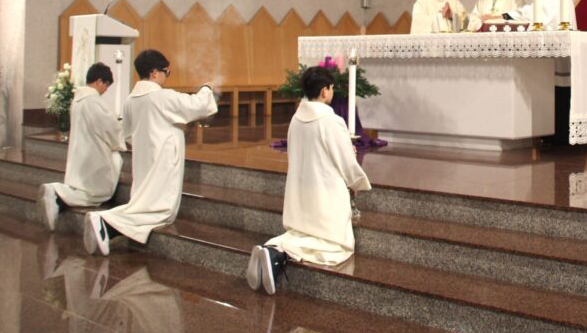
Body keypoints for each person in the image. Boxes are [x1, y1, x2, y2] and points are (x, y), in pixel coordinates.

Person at [247, 66, 371, 295]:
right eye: (331, 88)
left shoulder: (297, 118)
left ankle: (273, 246)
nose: (332, 93)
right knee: (334, 246)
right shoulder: (330, 120)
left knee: (301, 232)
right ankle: (276, 254)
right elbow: (344, 161)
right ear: (324, 91)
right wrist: (357, 180)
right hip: (325, 193)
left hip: (301, 191)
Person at [83, 49, 217, 256]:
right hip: (163, 160)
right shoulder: (162, 97)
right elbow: (198, 105)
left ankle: (108, 229)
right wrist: (207, 89)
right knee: (156, 209)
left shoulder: (131, 100)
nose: (166, 76)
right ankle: (106, 221)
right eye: (166, 72)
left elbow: (126, 134)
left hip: (144, 159)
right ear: (154, 72)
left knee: (144, 200)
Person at [36, 63, 125, 231]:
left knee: (86, 189)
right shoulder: (93, 101)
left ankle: (58, 198)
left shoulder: (77, 99)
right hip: (93, 155)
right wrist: (118, 140)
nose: (106, 90)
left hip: (80, 153)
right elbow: (110, 127)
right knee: (99, 194)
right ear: (99, 81)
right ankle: (57, 193)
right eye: (106, 85)